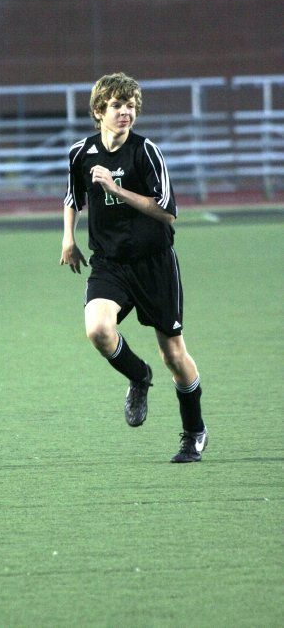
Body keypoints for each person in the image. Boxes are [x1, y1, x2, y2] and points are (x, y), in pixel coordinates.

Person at [60, 72, 208, 463]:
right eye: (117, 106)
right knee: (98, 330)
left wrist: (115, 189)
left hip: (154, 264)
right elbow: (73, 197)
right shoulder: (80, 153)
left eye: (131, 106)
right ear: (98, 111)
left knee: (174, 354)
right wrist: (68, 239)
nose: (125, 112)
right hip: (109, 262)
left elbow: (167, 213)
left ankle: (194, 432)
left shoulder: (146, 152)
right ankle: (138, 377)